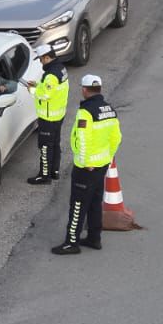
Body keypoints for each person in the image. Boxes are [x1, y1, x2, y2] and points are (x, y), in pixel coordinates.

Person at [52, 73, 122, 255]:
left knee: (78, 204)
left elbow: (82, 139)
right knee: (95, 203)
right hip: (102, 165)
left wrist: (85, 162)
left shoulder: (86, 112)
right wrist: (108, 158)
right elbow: (116, 137)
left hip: (87, 168)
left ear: (84, 90)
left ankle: (71, 242)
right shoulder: (109, 109)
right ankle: (94, 238)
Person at [24, 43, 69, 184]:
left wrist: (32, 91)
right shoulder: (60, 68)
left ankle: (44, 176)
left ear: (47, 57)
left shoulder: (51, 75)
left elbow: (46, 95)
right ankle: (54, 171)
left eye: (41, 59)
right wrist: (37, 85)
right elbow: (52, 90)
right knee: (55, 144)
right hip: (58, 115)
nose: (41, 62)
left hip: (48, 118)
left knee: (45, 147)